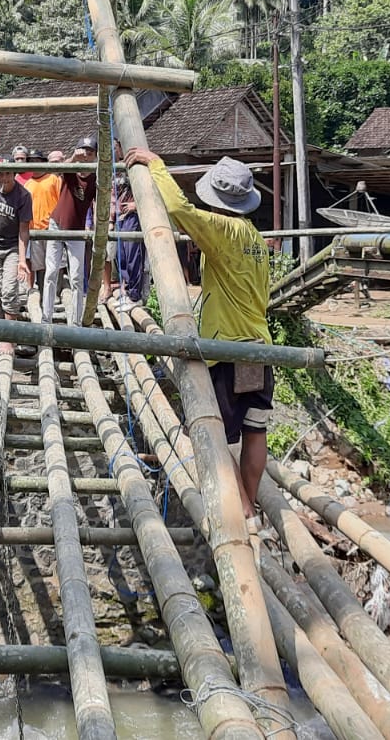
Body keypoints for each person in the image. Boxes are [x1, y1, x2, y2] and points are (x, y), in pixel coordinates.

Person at [125, 148, 271, 540]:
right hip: (259, 346)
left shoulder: (224, 231)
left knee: (218, 437)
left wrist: (154, 164)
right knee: (255, 432)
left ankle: (240, 508)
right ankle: (252, 506)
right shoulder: (255, 237)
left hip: (228, 347)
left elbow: (180, 208)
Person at [43, 136, 99, 325]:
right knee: (51, 272)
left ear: (95, 156)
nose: (86, 157)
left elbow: (100, 203)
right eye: (83, 152)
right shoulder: (70, 170)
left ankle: (75, 321)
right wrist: (74, 157)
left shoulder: (96, 177)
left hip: (76, 229)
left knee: (76, 277)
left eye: (90, 153)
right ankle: (46, 317)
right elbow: (57, 170)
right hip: (57, 223)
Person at [0, 158, 33, 324]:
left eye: (7, 173)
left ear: (14, 174)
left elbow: (24, 230)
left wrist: (22, 260)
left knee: (9, 291)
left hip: (12, 247)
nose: (3, 177)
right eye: (0, 173)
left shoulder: (23, 195)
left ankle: (9, 336)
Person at [24, 150, 63, 295]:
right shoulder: (28, 184)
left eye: (37, 161)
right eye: (31, 162)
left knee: (55, 262)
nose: (34, 164)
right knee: (39, 264)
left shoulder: (53, 179)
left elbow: (61, 201)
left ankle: (57, 292)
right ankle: (42, 292)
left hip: (52, 228)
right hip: (34, 230)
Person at [112, 177, 150, 307]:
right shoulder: (117, 170)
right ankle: (127, 292)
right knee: (121, 256)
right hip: (120, 216)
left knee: (132, 256)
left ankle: (135, 296)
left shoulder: (140, 169)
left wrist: (137, 204)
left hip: (133, 215)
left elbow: (151, 193)